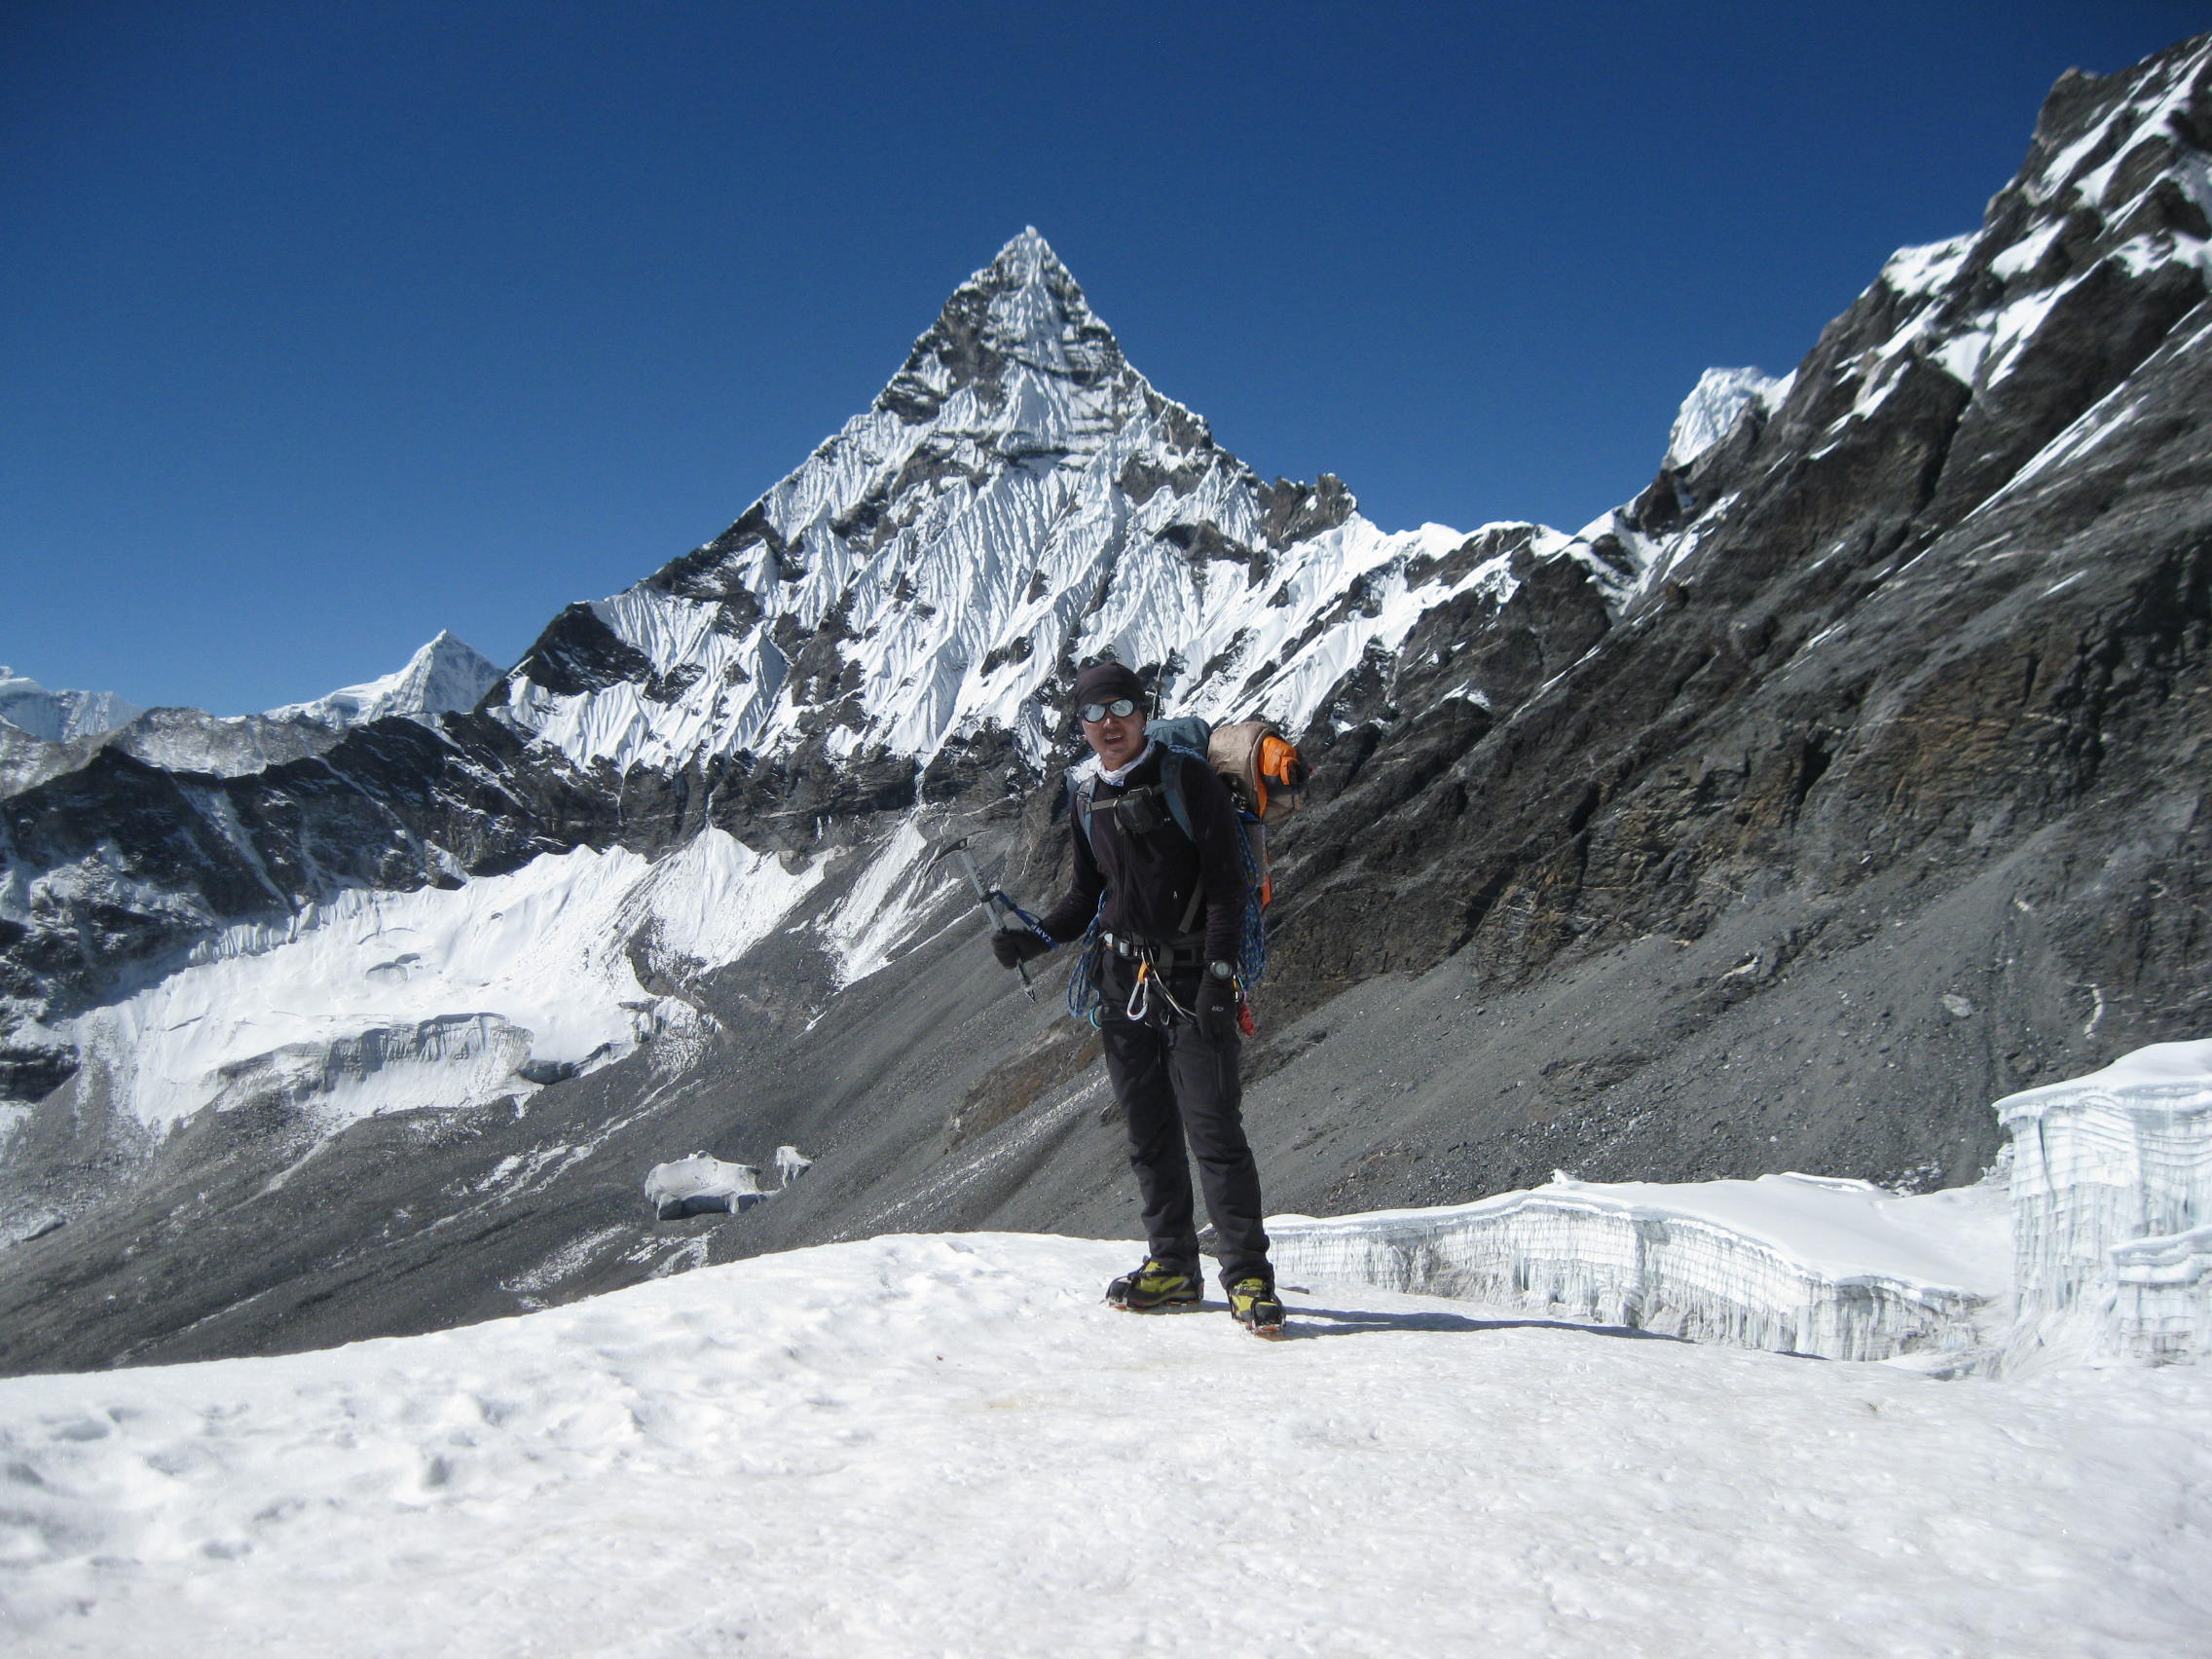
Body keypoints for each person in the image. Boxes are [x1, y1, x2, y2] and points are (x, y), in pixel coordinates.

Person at [990, 660, 1284, 1334]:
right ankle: (1173, 1265)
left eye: (1120, 708)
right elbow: (1086, 895)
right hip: (1122, 983)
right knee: (1149, 1133)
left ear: (1144, 712)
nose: (1108, 724)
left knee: (1214, 1130)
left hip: (1189, 981)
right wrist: (1034, 939)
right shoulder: (1086, 791)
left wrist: (1218, 976)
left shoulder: (1188, 780)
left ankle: (1247, 1278)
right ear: (1082, 726)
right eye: (1094, 714)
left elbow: (1225, 885)